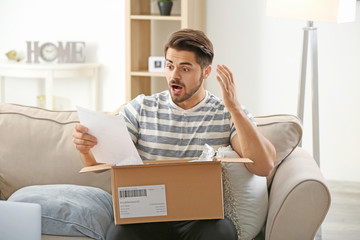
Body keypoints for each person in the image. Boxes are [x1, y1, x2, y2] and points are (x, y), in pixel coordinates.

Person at [72, 29, 276, 240]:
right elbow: (99, 165)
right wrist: (86, 149)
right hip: (145, 216)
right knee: (118, 234)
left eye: (185, 68)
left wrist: (234, 108)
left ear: (206, 72)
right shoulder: (141, 108)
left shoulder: (226, 113)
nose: (174, 76)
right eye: (169, 66)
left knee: (222, 232)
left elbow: (263, 166)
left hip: (201, 219)